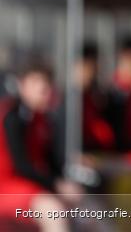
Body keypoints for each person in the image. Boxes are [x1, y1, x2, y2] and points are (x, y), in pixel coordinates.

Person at [0, 61, 83, 232]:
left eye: (47, 85)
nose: (44, 91)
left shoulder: (41, 119)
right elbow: (21, 166)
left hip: (29, 186)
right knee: (53, 211)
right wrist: (57, 185)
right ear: (22, 85)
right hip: (7, 187)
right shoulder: (12, 117)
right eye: (38, 84)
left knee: (86, 209)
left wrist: (65, 183)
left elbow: (51, 162)